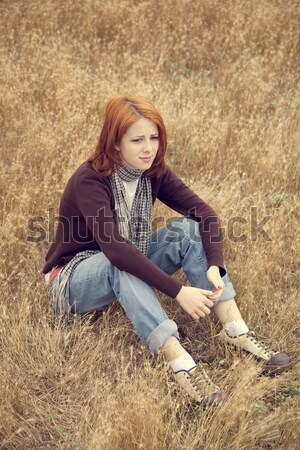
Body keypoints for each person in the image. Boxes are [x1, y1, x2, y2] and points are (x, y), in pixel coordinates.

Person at [43, 95, 293, 407]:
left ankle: (236, 331)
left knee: (186, 230)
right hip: (72, 280)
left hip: (123, 258)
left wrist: (213, 265)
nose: (148, 148)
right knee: (119, 261)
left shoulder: (152, 171)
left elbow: (205, 215)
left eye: (154, 137)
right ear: (116, 143)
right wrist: (178, 291)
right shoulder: (90, 180)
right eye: (137, 140)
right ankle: (182, 365)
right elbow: (118, 252)